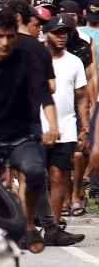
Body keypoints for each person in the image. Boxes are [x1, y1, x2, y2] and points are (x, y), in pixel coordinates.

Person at [0, 10, 84, 256]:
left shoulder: (28, 62)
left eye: (10, 37)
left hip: (21, 136)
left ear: (15, 37)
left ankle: (29, 224)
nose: (4, 42)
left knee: (36, 173)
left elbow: (45, 94)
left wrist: (52, 126)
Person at [40, 16, 90, 220]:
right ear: (45, 35)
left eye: (65, 33)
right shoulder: (34, 58)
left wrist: (85, 129)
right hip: (37, 128)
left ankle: (54, 223)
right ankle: (34, 219)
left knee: (58, 176)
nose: (62, 37)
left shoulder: (75, 62)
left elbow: (82, 98)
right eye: (57, 33)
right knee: (37, 178)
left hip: (66, 128)